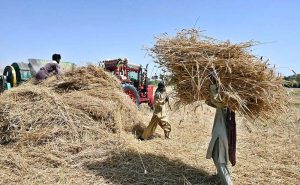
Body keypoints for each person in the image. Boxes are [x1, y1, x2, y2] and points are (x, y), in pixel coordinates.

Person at [206, 73, 236, 185]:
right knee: (218, 156)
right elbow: (212, 102)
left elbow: (215, 99)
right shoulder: (228, 102)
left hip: (221, 134)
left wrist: (213, 84)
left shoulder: (225, 102)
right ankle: (221, 177)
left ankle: (227, 183)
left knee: (220, 160)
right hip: (222, 133)